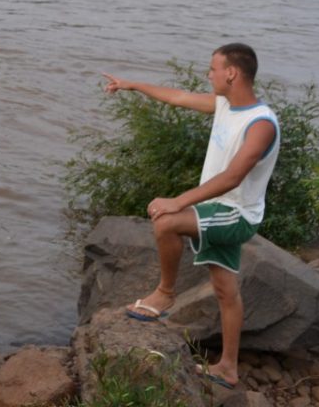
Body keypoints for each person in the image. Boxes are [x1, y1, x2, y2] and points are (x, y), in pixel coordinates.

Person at [102, 43, 279, 390]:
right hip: (219, 210)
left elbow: (232, 178)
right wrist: (132, 84)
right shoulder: (226, 105)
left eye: (213, 69)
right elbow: (178, 98)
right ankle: (228, 368)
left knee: (166, 221)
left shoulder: (261, 124)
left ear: (232, 73)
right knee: (226, 290)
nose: (208, 74)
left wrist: (177, 201)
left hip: (236, 214)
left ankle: (165, 293)